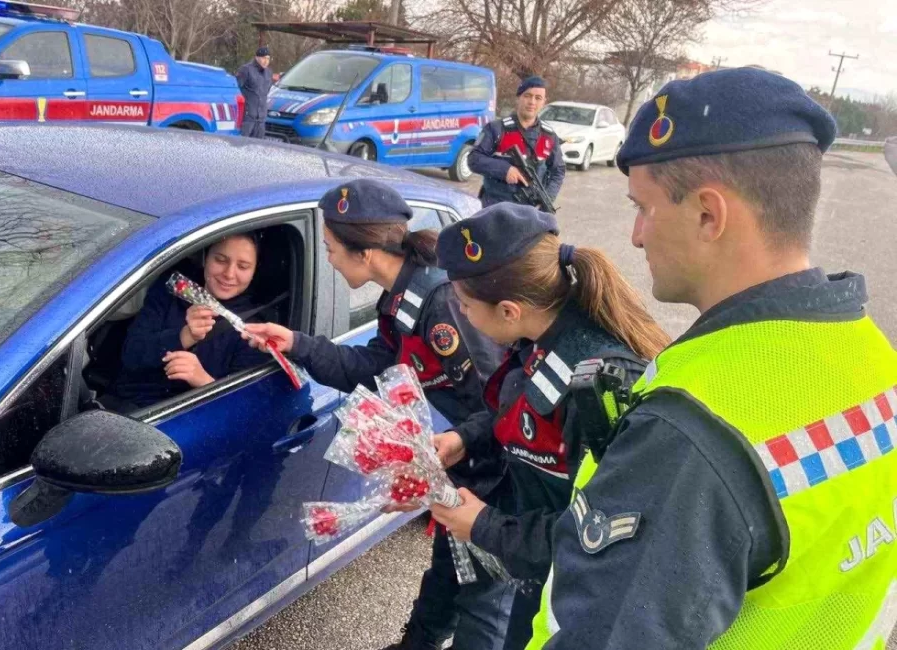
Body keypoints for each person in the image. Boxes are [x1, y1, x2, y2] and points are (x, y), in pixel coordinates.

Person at [526, 68, 897, 649]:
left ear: (708, 214)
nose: (636, 236)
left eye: (643, 208)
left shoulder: (690, 433)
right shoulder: (872, 356)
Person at [245, 179, 511, 650]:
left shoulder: (440, 305)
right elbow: (375, 367)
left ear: (364, 253)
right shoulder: (399, 300)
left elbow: (504, 401)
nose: (327, 258)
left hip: (501, 475)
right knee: (448, 573)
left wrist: (460, 447)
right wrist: (297, 343)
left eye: (330, 249)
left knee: (484, 602)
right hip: (467, 468)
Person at [416, 203, 668, 650]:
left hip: (572, 599)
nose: (462, 315)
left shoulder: (599, 384)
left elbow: (601, 537)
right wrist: (466, 438)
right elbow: (519, 414)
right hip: (536, 571)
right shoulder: (541, 339)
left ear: (510, 310)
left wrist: (483, 525)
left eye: (466, 305)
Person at [105, 233, 267, 411]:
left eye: (243, 267)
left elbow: (242, 409)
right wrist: (183, 336)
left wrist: (204, 381)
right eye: (220, 260)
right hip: (125, 406)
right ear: (205, 258)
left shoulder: (252, 329)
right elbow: (131, 354)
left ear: (254, 272)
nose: (229, 274)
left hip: (184, 422)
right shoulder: (171, 290)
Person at [469, 76, 565, 209]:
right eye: (527, 96)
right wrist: (505, 170)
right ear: (518, 98)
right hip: (494, 209)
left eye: (538, 98)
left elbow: (558, 171)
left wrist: (546, 201)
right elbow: (474, 159)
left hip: (529, 211)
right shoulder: (496, 129)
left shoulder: (549, 136)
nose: (532, 102)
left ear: (544, 102)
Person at [237, 47, 273, 139]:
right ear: (257, 57)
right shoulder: (246, 70)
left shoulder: (268, 73)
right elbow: (237, 89)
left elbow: (266, 91)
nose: (266, 61)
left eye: (268, 58)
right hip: (248, 117)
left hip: (261, 118)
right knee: (242, 144)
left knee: (257, 147)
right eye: (263, 58)